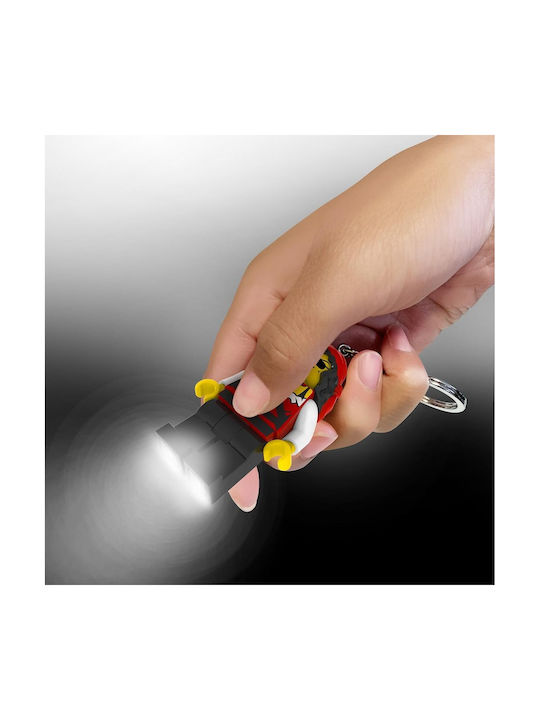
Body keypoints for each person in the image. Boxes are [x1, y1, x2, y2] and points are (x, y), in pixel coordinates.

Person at [203, 135, 494, 512]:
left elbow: (302, 426)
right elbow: (239, 384)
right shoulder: (313, 390)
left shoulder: (306, 399)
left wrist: (485, 176)